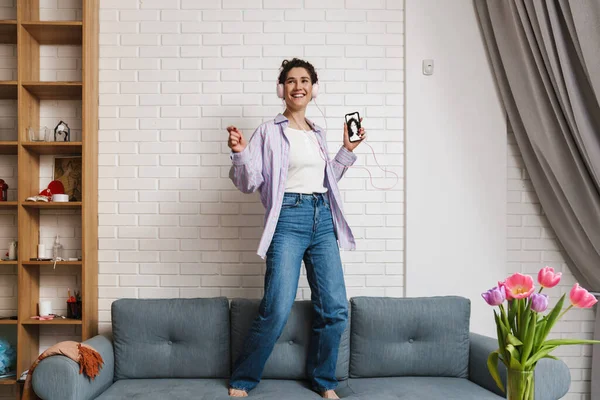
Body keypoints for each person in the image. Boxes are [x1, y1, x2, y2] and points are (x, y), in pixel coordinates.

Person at [226, 58, 365, 399]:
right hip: (288, 219)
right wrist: (241, 153)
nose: (298, 86)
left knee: (334, 308)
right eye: (290, 81)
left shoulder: (318, 133)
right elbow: (250, 182)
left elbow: (327, 179)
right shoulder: (268, 131)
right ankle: (243, 378)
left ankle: (323, 380)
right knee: (276, 306)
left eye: (304, 80)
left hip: (322, 220)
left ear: (313, 89)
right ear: (282, 89)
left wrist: (346, 150)